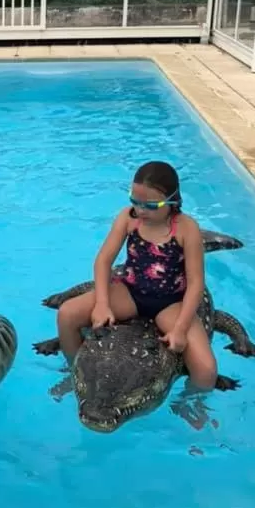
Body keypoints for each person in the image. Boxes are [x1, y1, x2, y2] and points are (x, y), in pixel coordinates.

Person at [56, 160, 216, 391]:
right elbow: (103, 261)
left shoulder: (186, 228)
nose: (140, 210)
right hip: (129, 293)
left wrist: (180, 329)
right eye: (135, 201)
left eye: (150, 205)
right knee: (67, 314)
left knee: (206, 370)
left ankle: (189, 403)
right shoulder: (128, 218)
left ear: (172, 201)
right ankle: (75, 373)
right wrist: (102, 304)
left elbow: (195, 283)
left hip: (170, 304)